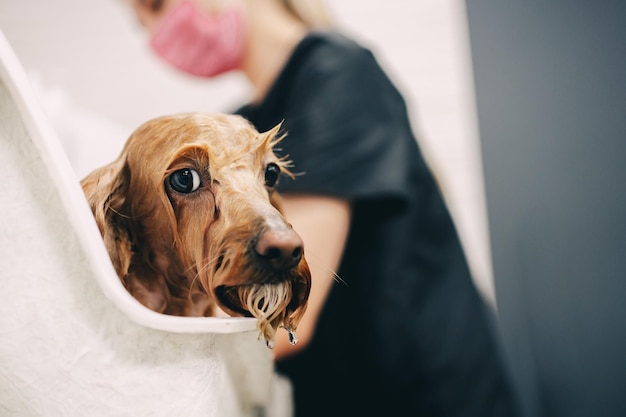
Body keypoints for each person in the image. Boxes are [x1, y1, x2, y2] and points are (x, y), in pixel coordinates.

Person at [128, 1, 521, 416]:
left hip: (422, 392)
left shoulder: (337, 74)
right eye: (142, 27)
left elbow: (286, 321)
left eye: (155, 5)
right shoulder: (244, 123)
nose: (156, 34)